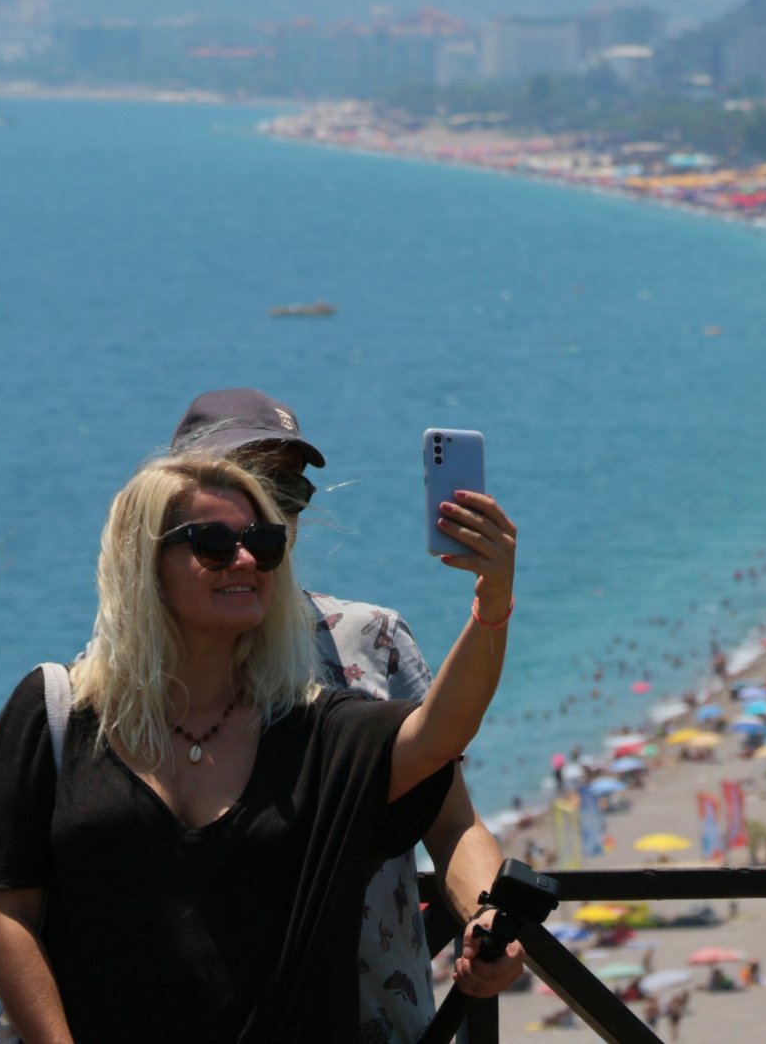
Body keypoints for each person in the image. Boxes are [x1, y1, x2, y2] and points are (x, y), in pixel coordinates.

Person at [0, 454, 516, 1041]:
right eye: (213, 544)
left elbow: (441, 732)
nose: (246, 559)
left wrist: (494, 597)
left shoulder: (316, 730)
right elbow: (7, 919)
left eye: (264, 542)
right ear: (142, 562)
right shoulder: (53, 713)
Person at [165, 388, 520, 1039]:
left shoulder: (371, 639)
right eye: (244, 488)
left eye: (287, 493)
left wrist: (486, 916)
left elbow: (452, 824)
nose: (267, 515)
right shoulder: (129, 677)